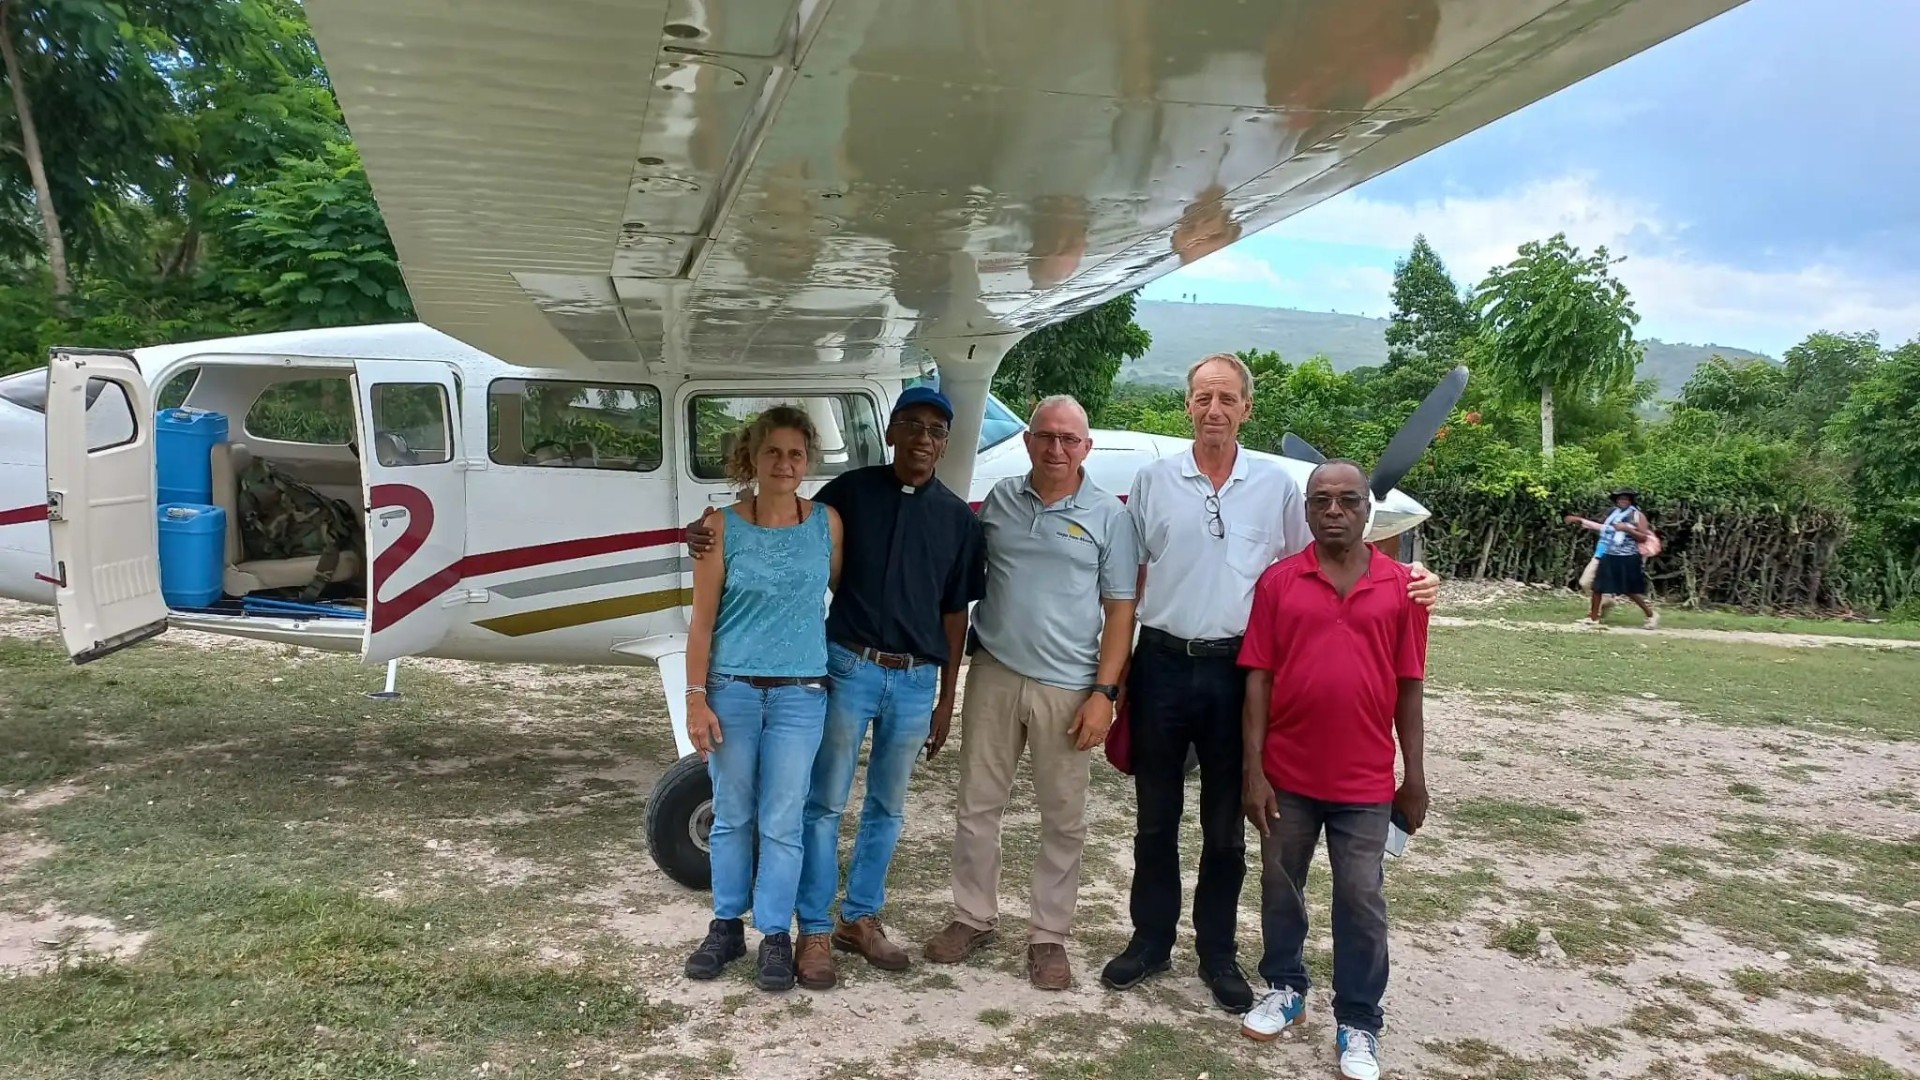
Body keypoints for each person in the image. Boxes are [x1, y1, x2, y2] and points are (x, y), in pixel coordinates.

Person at [1101, 353, 1441, 1014]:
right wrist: (1112, 681)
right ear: (1188, 406)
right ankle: (1149, 940)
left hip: (1240, 672)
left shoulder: (1277, 490)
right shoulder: (1153, 481)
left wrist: (1411, 580)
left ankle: (1218, 953)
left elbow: (1322, 561)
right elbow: (1125, 578)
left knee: (1227, 827)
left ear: (1247, 409)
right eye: (1203, 398)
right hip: (1164, 662)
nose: (1214, 410)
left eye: (1227, 398)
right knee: (1154, 819)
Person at [685, 385, 985, 991]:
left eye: (936, 429)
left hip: (911, 680)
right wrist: (704, 530)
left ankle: (860, 919)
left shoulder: (957, 518)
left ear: (946, 442)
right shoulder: (846, 496)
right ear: (892, 431)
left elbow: (957, 615)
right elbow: (776, 523)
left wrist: (946, 696)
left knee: (887, 807)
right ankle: (812, 929)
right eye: (912, 425)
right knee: (818, 805)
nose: (924, 439)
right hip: (846, 667)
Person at [922, 396, 1138, 990]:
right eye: (1045, 436)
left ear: (1086, 448)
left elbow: (1121, 610)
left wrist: (1106, 693)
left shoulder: (1108, 516)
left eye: (1070, 439)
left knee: (1062, 819)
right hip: (994, 672)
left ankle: (1048, 937)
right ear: (1028, 441)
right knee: (977, 804)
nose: (1056, 449)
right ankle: (972, 916)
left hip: (1070, 688)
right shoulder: (999, 502)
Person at [1236, 459, 1430, 1080]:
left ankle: (1359, 1020)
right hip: (1287, 774)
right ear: (1307, 510)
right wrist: (1254, 770)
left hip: (1365, 780)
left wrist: (1415, 777)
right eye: (1322, 502)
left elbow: (1409, 687)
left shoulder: (1401, 588)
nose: (1335, 512)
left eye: (1348, 501)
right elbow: (1258, 681)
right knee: (1280, 884)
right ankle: (1286, 986)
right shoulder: (1278, 583)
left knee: (1361, 897)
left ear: (1368, 511)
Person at [680, 406, 845, 992]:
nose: (784, 463)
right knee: (732, 816)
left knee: (784, 820)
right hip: (734, 691)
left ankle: (776, 935)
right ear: (751, 458)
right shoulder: (720, 526)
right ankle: (727, 926)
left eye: (796, 453)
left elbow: (840, 596)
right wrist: (696, 697)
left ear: (809, 461)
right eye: (773, 452)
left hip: (802, 693)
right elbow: (701, 623)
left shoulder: (827, 523)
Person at [1564, 487, 1658, 628]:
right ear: (1616, 501)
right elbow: (1603, 528)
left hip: (1627, 556)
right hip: (1608, 553)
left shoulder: (1637, 515)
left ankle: (1651, 615)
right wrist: (1581, 521)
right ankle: (1593, 619)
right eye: (1620, 499)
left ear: (1631, 501)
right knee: (1598, 587)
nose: (1623, 501)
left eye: (1626, 499)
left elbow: (1643, 537)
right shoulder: (1612, 514)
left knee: (1629, 590)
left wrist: (1627, 529)